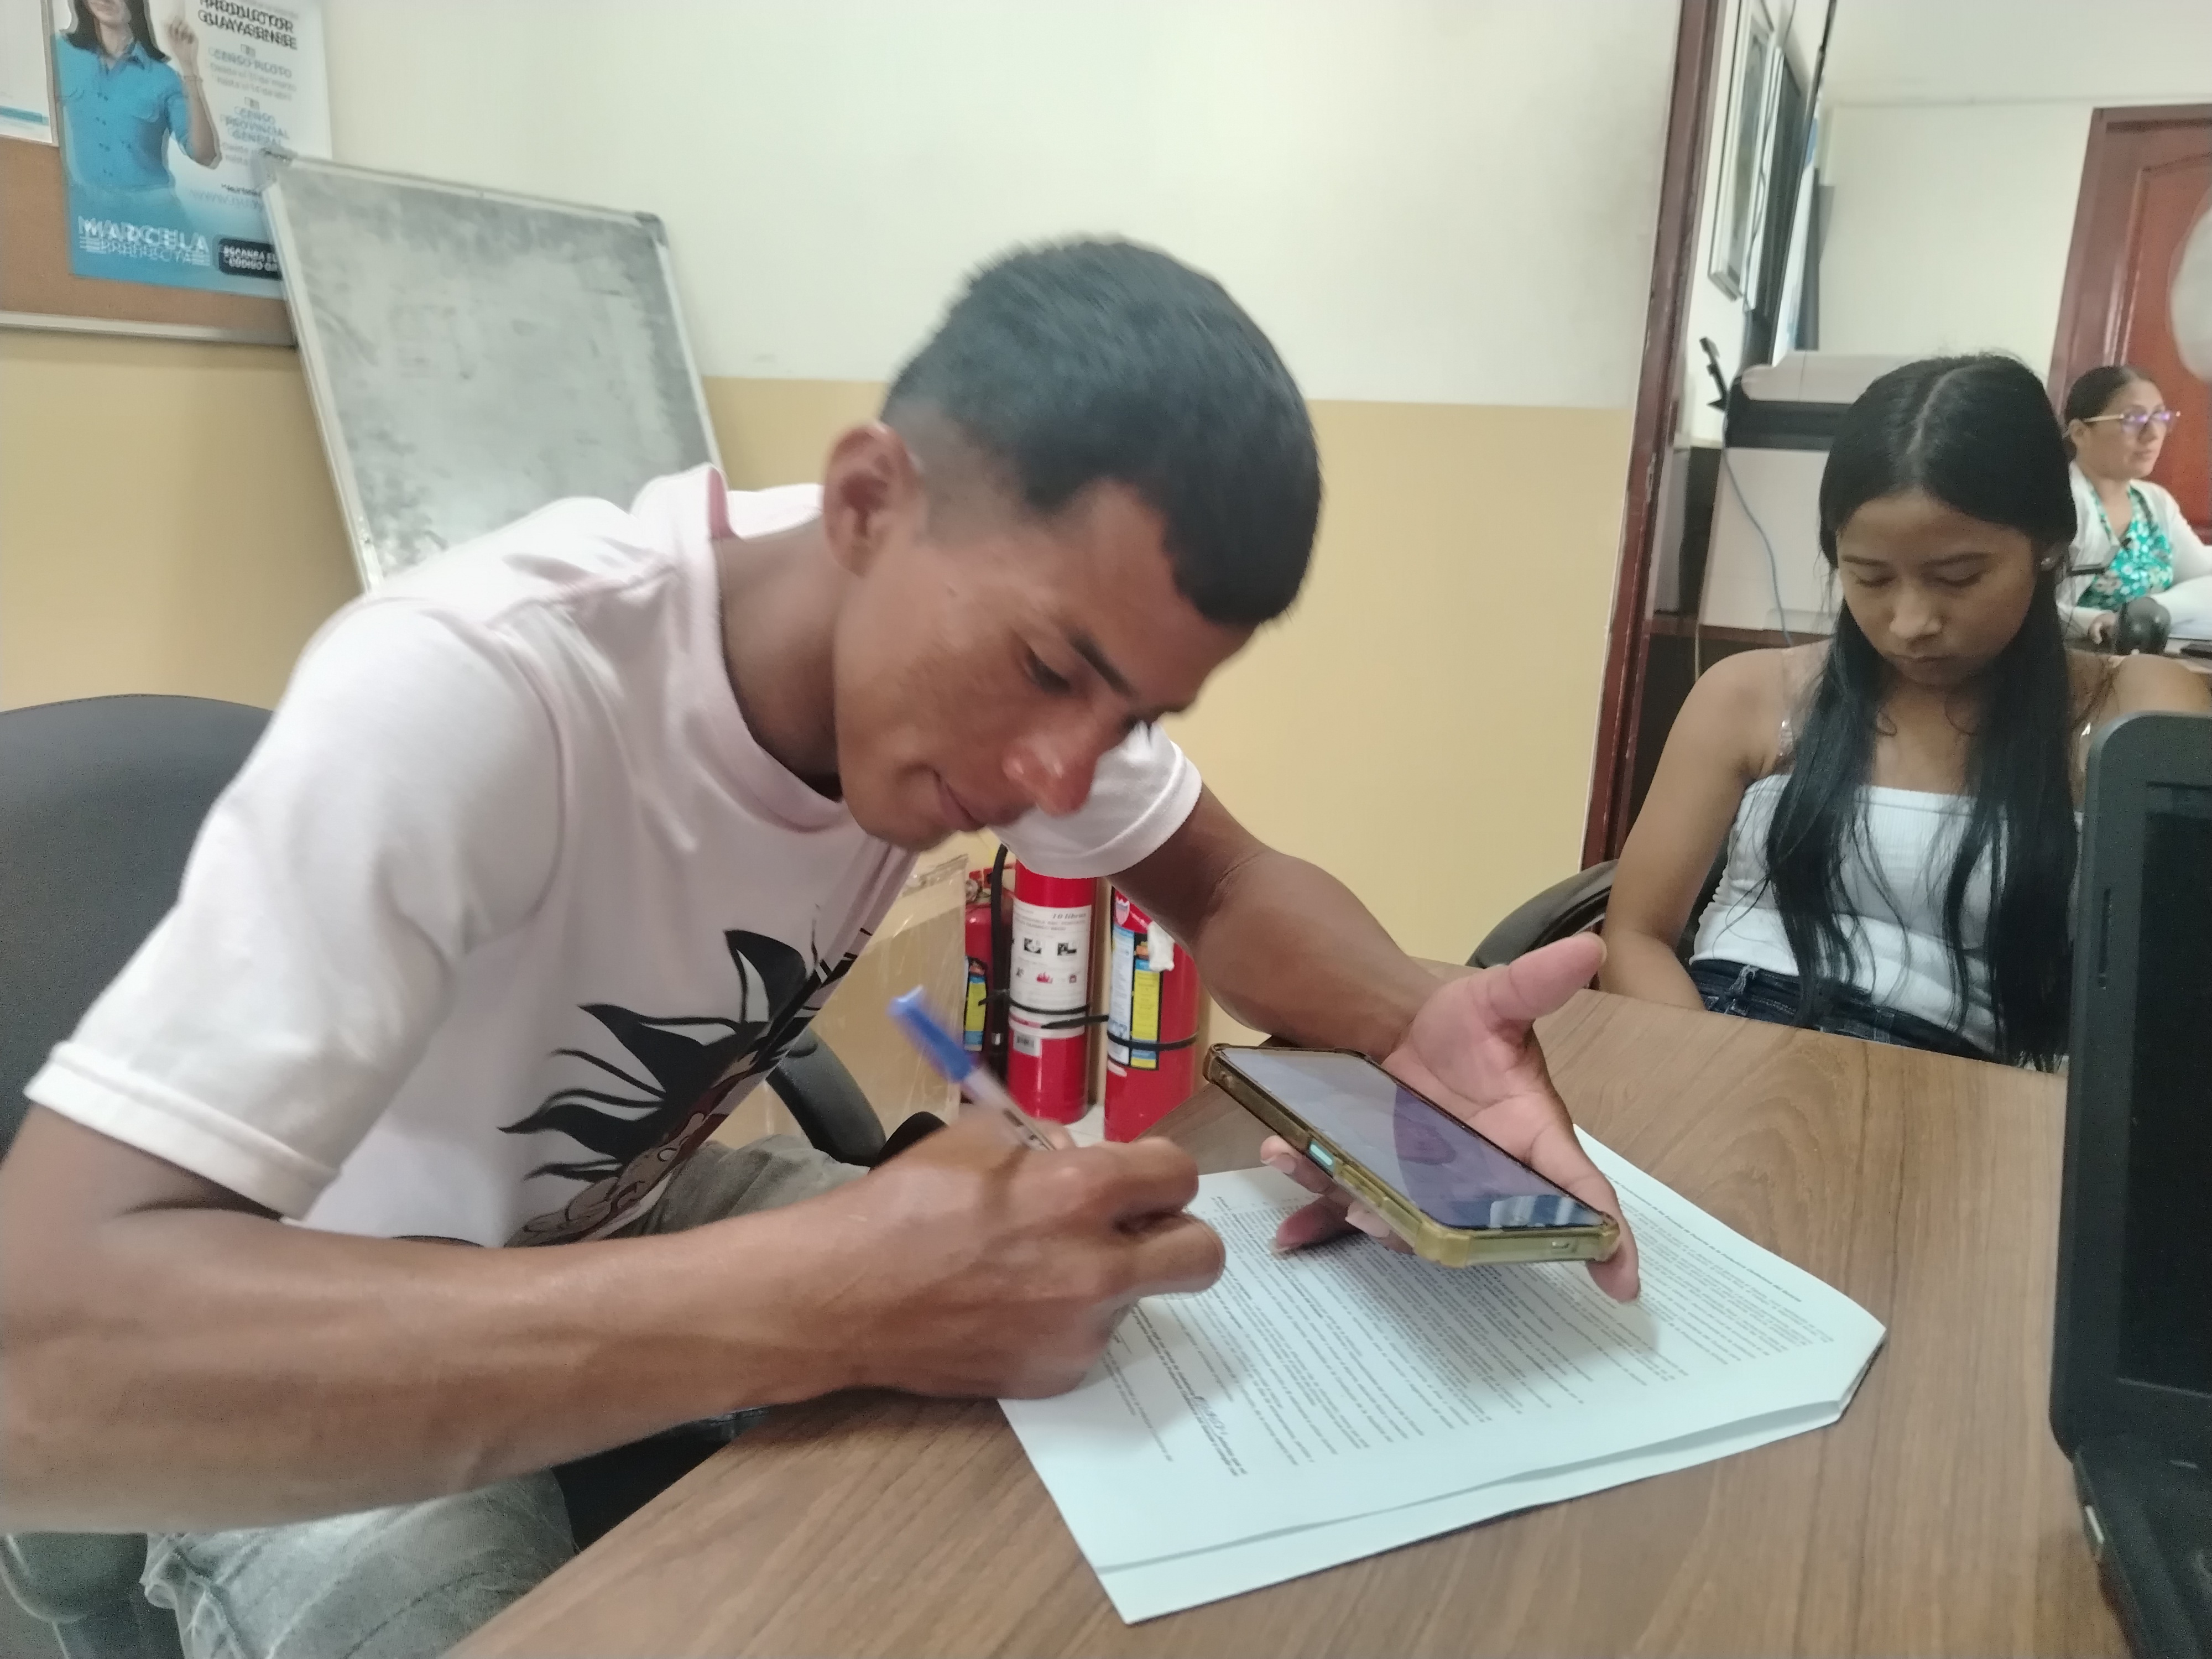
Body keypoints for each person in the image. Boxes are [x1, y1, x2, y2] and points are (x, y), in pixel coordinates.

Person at [0, 240, 1638, 1659]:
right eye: (1049, 671)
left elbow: (1228, 884)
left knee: (1118, 1301)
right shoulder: (479, 690)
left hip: (616, 1208)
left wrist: (1411, 1016)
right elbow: (42, 1354)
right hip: (308, 1290)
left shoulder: (991, 654)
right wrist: (827, 1299)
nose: (1060, 778)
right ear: (866, 501)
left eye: (1131, 715)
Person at [1601, 354, 2209, 1066]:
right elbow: (1634, 936)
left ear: (2048, 546)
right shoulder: (1749, 694)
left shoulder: (2135, 715)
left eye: (1958, 577)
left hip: (1952, 1086)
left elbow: (2170, 1002)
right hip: (1714, 1040)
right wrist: (1702, 1077)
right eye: (1870, 577)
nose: (1910, 623)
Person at [2058, 364, 2212, 642]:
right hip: (2076, 658)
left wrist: (2147, 613)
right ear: (2080, 433)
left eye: (2160, 417)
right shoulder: (2059, 502)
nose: (2153, 434)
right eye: (2133, 418)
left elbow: (2205, 578)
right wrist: (2093, 621)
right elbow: (2023, 605)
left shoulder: (2154, 502)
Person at [53, 0, 221, 234]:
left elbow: (204, 154)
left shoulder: (163, 78)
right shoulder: (59, 53)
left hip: (153, 223)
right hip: (86, 219)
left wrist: (189, 67)